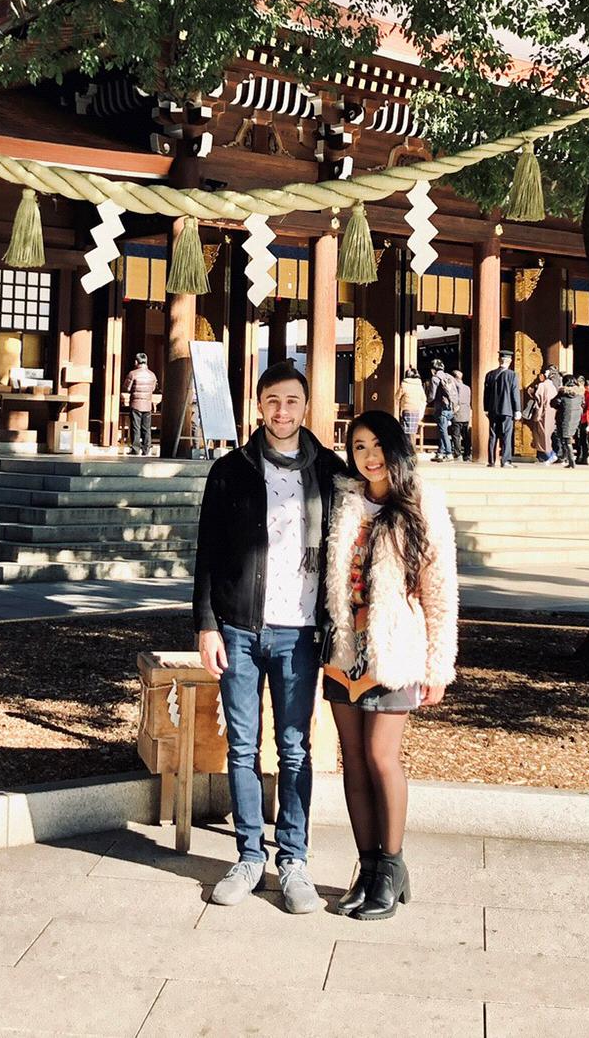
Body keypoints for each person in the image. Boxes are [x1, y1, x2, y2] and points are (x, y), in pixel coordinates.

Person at [193, 360, 349, 915]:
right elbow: (208, 552)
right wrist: (206, 625)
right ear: (258, 405)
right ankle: (248, 856)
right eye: (273, 401)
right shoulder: (230, 470)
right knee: (242, 744)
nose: (282, 411)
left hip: (299, 631)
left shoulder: (330, 471)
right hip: (239, 626)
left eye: (292, 401)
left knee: (294, 747)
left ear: (306, 407)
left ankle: (294, 860)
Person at [324, 410, 458, 921]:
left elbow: (439, 590)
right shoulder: (345, 502)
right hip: (343, 648)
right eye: (359, 447)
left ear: (396, 448)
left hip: (394, 648)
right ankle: (367, 868)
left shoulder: (422, 504)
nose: (369, 457)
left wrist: (438, 666)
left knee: (382, 756)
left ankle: (392, 866)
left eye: (378, 445)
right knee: (353, 760)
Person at [483, 350, 521, 468]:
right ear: (510, 361)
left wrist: (486, 408)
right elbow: (515, 393)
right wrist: (517, 409)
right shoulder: (512, 375)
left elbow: (486, 393)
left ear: (499, 360)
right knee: (506, 435)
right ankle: (505, 461)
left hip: (492, 409)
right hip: (507, 409)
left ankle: (491, 461)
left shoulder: (490, 374)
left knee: (493, 435)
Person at [123, 352, 158, 456]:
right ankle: (146, 449)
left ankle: (135, 448)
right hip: (147, 405)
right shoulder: (152, 375)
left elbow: (127, 388)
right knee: (147, 428)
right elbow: (153, 388)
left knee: (136, 427)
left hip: (136, 404)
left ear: (136, 362)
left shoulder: (133, 374)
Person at [425, 360, 457, 461]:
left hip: (441, 408)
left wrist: (426, 401)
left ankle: (448, 453)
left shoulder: (435, 378)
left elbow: (432, 396)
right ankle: (441, 452)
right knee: (443, 430)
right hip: (450, 408)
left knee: (443, 431)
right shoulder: (450, 377)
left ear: (433, 370)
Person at [527, 370, 558, 464]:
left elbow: (539, 400)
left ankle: (550, 455)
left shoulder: (542, 385)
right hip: (551, 412)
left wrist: (531, 392)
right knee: (547, 434)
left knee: (542, 435)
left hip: (543, 413)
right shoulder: (553, 386)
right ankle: (545, 456)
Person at [555, 374, 585, 468]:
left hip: (564, 417)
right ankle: (569, 459)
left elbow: (554, 403)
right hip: (575, 418)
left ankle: (571, 461)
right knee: (569, 438)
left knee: (565, 439)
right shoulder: (580, 394)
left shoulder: (562, 393)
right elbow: (583, 404)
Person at [397, 369, 427, 454]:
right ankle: (412, 448)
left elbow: (397, 396)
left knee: (406, 430)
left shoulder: (404, 384)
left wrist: (400, 402)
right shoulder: (419, 385)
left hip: (407, 409)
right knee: (413, 431)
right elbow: (424, 398)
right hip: (416, 410)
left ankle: (407, 449)